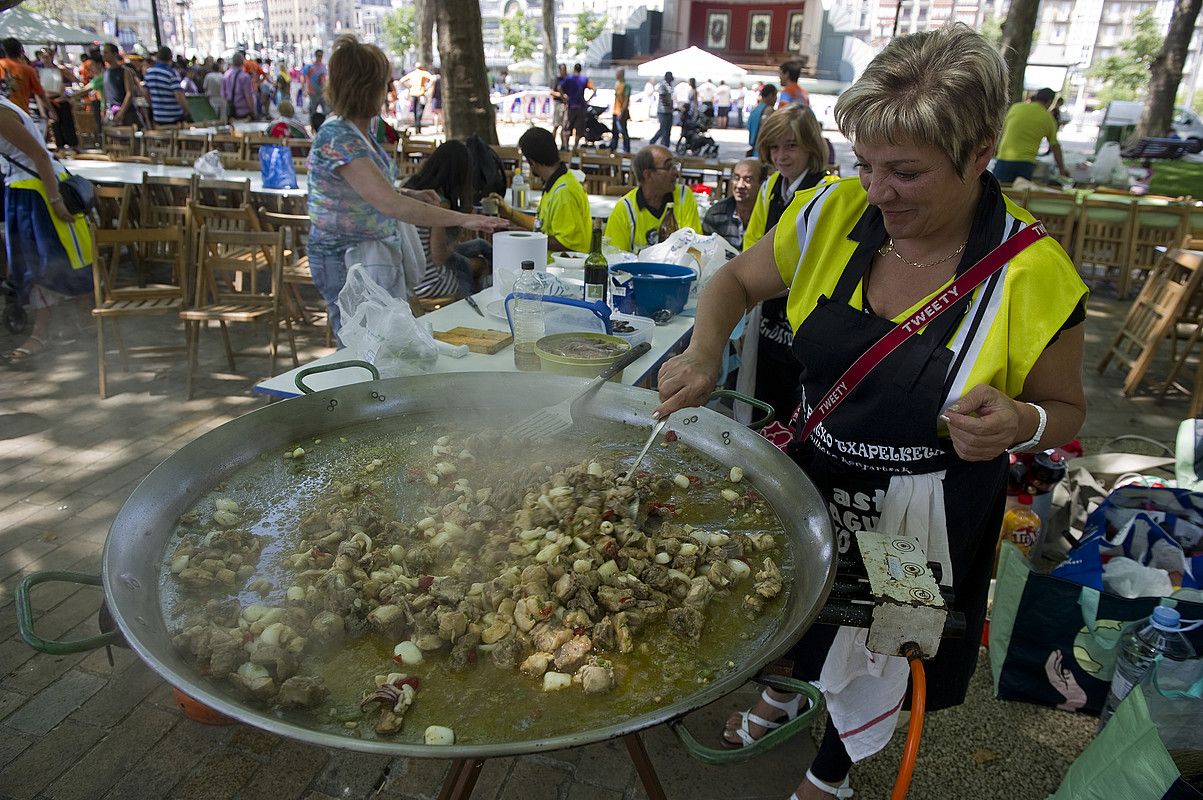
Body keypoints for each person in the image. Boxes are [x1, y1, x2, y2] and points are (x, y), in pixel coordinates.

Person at [654, 25, 1087, 799]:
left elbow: (1064, 410)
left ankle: (833, 771)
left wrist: (1020, 424)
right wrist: (702, 350)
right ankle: (782, 695)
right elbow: (731, 283)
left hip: (923, 513)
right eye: (866, 164)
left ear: (982, 151)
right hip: (811, 476)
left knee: (887, 646)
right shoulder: (832, 212)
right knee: (789, 612)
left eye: (908, 172)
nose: (878, 192)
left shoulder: (1032, 272)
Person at [305, 35, 507, 335]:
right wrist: (467, 218)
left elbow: (366, 192)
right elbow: (390, 205)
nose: (390, 90)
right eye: (384, 83)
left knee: (379, 342)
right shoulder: (339, 136)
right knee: (359, 344)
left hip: (366, 255)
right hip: (346, 259)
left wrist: (406, 192)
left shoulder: (360, 130)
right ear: (364, 88)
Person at [744, 104, 838, 421]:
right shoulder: (770, 187)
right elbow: (752, 242)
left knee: (796, 401)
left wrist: (764, 284)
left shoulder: (827, 192)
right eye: (774, 147)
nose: (781, 156)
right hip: (766, 313)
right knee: (761, 388)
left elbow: (822, 264)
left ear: (811, 146)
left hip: (804, 318)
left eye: (791, 145)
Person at [0, 92, 92, 366]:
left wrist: (55, 200)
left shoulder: (2, 112)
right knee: (36, 265)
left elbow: (39, 155)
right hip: (23, 191)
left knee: (61, 262)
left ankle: (89, 326)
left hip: (39, 191)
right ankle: (48, 332)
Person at [403, 140, 483, 300]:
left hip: (409, 275)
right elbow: (439, 256)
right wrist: (460, 229)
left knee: (480, 246)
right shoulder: (438, 202)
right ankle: (470, 304)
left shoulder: (410, 188)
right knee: (465, 267)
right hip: (430, 283)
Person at [491, 126, 591, 253]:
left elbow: (568, 244)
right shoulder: (556, 184)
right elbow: (541, 225)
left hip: (564, 269)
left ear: (532, 162)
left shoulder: (564, 192)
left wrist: (527, 238)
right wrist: (509, 213)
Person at [604, 145, 703, 252]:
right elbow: (614, 256)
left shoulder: (684, 196)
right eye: (668, 167)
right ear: (648, 175)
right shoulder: (625, 209)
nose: (676, 173)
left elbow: (695, 248)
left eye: (675, 166)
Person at [993, 87, 1068, 183]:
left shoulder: (1016, 107)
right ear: (1050, 101)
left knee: (998, 194)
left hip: (1003, 159)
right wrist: (1062, 169)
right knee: (1019, 194)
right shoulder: (1048, 118)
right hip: (1025, 163)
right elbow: (1055, 146)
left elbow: (1002, 130)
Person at [702, 158, 763, 251]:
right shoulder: (716, 213)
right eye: (736, 178)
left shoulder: (768, 216)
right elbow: (705, 252)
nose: (739, 185)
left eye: (748, 180)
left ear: (762, 183)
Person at [0, 39, 54, 128]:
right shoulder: (28, 70)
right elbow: (40, 94)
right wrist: (52, 111)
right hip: (20, 114)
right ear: (21, 51)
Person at [102, 43, 144, 128]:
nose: (104, 55)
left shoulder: (125, 71)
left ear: (115, 54)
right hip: (112, 112)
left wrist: (122, 112)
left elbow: (129, 93)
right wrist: (104, 110)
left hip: (128, 112)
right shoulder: (105, 72)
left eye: (106, 52)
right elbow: (105, 93)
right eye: (103, 52)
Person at [145, 46, 189, 126]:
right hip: (174, 117)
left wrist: (154, 106)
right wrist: (186, 110)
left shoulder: (149, 72)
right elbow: (178, 95)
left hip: (158, 116)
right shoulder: (171, 73)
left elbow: (145, 93)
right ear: (170, 57)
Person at [561, 63, 595, 150]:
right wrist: (588, 100)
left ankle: (567, 147)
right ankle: (575, 147)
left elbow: (560, 87)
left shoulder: (569, 78)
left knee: (568, 128)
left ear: (574, 69)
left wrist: (564, 98)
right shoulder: (584, 79)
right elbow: (594, 89)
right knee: (579, 129)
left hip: (571, 107)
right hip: (581, 107)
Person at [399, 63, 434, 133]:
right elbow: (432, 79)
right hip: (421, 94)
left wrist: (409, 87)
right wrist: (427, 87)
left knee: (415, 111)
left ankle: (417, 125)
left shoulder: (412, 74)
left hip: (413, 93)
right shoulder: (423, 73)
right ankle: (418, 125)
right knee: (420, 110)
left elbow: (401, 80)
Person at [223, 52, 258, 121]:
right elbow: (248, 95)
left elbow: (223, 94)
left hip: (231, 111)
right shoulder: (244, 77)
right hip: (244, 113)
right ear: (243, 61)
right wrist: (253, 111)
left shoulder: (226, 75)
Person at [747, 83, 776, 157]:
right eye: (775, 96)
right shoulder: (769, 110)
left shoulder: (754, 111)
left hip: (754, 150)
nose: (776, 99)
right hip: (763, 152)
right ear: (771, 95)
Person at [609, 67, 631, 153]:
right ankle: (613, 147)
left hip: (621, 112)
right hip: (615, 111)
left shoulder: (626, 85)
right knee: (615, 131)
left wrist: (622, 111)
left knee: (623, 131)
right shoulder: (617, 84)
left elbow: (626, 99)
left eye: (617, 73)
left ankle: (626, 149)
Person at [650, 71, 674, 147]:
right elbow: (663, 97)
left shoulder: (669, 85)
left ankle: (666, 144)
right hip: (663, 111)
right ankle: (653, 141)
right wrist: (669, 105)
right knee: (663, 129)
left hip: (668, 111)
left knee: (667, 129)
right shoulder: (663, 85)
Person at [303, 49, 328, 115]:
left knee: (326, 110)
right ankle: (312, 124)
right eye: (318, 55)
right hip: (313, 92)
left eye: (321, 56)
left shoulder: (323, 66)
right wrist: (305, 90)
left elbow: (325, 78)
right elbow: (303, 78)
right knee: (313, 110)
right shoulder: (309, 66)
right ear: (316, 56)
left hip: (322, 91)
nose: (320, 57)